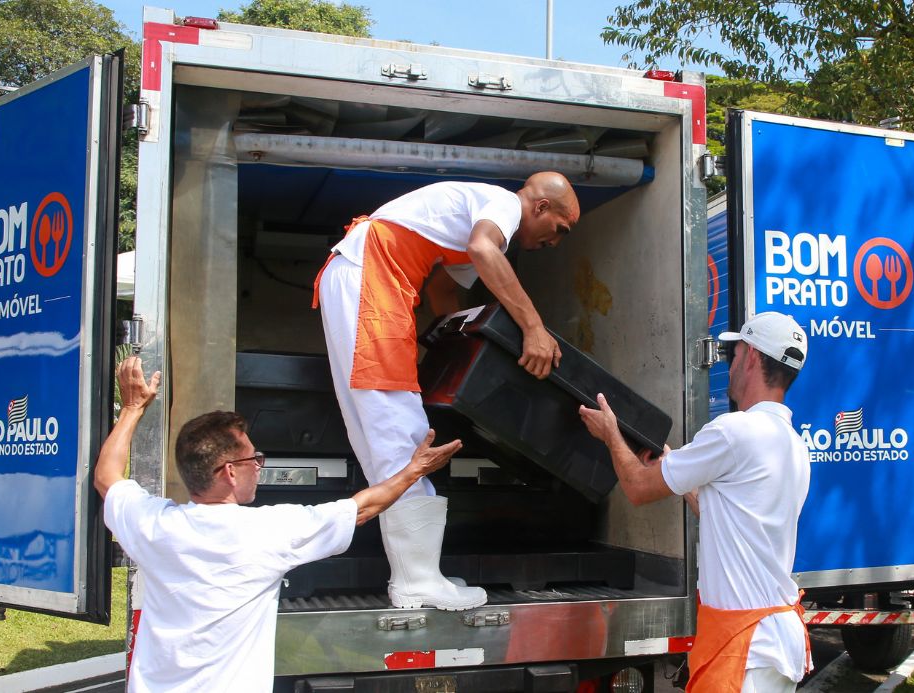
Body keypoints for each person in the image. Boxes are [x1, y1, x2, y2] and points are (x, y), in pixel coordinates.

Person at [94, 356, 461, 692]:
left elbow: (106, 477)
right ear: (229, 473)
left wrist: (131, 409)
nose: (260, 465)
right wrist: (416, 470)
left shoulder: (153, 526)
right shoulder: (268, 532)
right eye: (254, 458)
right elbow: (362, 509)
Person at [313, 172, 580, 610]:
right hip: (373, 279)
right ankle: (418, 581)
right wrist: (533, 328)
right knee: (402, 432)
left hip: (366, 277)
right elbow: (482, 249)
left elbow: (442, 290)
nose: (556, 241)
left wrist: (460, 350)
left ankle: (414, 575)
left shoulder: (478, 212)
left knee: (381, 437)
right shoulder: (504, 206)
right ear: (540, 208)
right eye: (560, 229)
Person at [578, 312, 812, 693]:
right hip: (772, 640)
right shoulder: (792, 445)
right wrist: (674, 465)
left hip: (746, 648)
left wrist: (610, 435)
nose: (730, 364)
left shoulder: (735, 431)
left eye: (732, 355)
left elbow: (637, 488)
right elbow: (724, 514)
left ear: (751, 356)